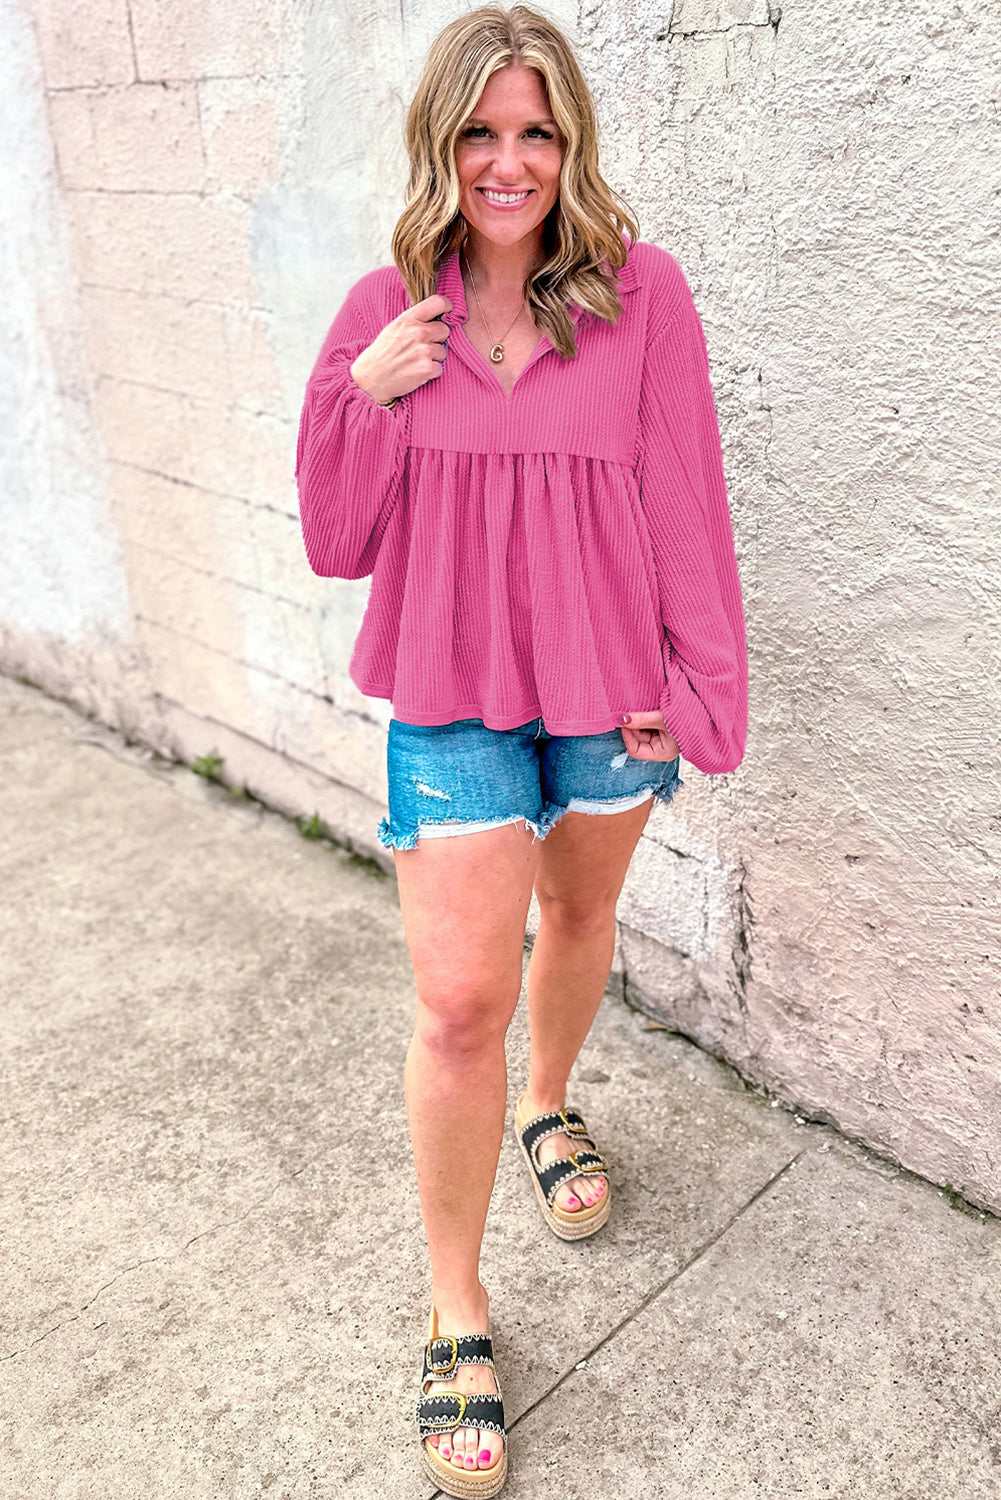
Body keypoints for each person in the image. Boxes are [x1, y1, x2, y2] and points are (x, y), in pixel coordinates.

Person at [295, 6, 748, 1493]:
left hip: (609, 694)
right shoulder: (386, 312)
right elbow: (335, 538)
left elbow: (684, 498)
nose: (509, 161)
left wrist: (699, 689)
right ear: (441, 144)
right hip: (451, 696)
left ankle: (551, 1103)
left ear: (570, 144)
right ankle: (456, 1309)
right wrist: (363, 395)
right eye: (481, 131)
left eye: (536, 131)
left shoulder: (641, 294)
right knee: (454, 1005)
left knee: (580, 915)